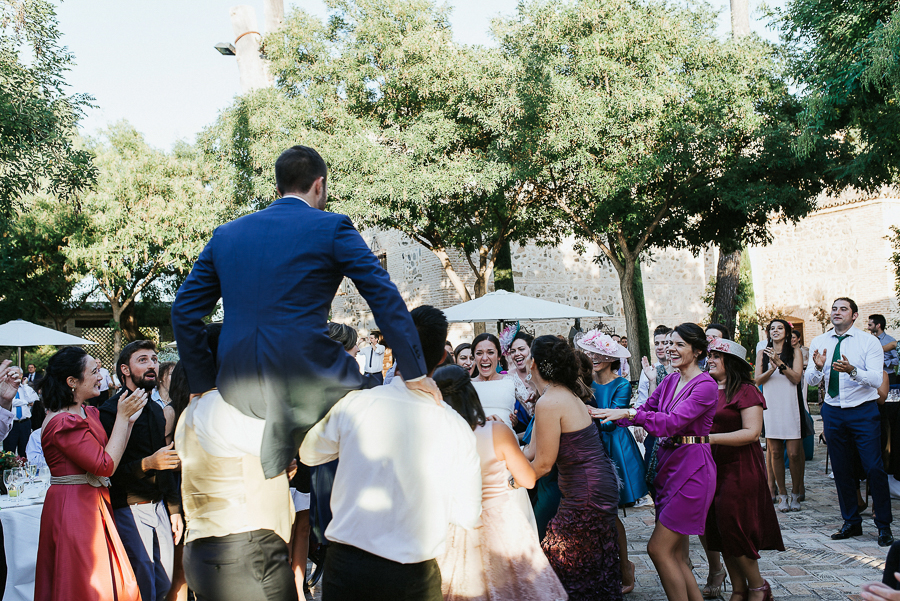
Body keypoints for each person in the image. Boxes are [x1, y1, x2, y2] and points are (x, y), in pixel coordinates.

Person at [171, 144, 437, 484]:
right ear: (319, 185)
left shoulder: (226, 235)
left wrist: (203, 385)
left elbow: (183, 310)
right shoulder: (333, 227)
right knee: (377, 399)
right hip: (308, 379)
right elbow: (383, 293)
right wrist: (414, 372)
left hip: (236, 385)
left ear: (277, 190)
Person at [299, 305, 482, 601]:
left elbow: (309, 453)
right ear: (441, 358)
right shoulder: (457, 429)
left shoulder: (356, 405)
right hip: (412, 576)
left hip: (348, 569)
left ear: (394, 347)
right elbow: (467, 514)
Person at [595, 323, 718, 601]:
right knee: (673, 552)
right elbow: (645, 411)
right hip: (667, 465)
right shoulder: (670, 381)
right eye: (669, 344)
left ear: (697, 350)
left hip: (693, 469)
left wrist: (626, 414)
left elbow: (673, 423)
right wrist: (609, 412)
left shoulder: (706, 385)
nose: (670, 349)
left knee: (658, 549)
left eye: (679, 345)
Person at [176, 339, 297, 601]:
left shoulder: (192, 410)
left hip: (204, 547)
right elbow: (281, 444)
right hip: (244, 549)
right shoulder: (228, 405)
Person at [435, 364, 567, 601]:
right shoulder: (496, 431)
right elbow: (527, 479)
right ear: (470, 393)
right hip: (500, 524)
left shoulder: (432, 438)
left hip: (453, 525)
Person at [35, 346, 148, 601]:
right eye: (94, 371)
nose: (101, 376)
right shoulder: (63, 422)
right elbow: (105, 465)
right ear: (72, 381)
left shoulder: (89, 412)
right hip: (73, 508)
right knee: (86, 579)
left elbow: (110, 454)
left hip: (93, 502)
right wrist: (122, 418)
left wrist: (128, 422)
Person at [524, 335, 622, 600]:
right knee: (590, 560)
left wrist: (506, 482)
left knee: (565, 556)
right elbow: (530, 451)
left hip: (587, 491)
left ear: (533, 363)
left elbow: (543, 465)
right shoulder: (559, 394)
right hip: (596, 484)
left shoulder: (550, 401)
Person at [806, 297, 894, 546]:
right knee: (841, 469)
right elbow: (811, 381)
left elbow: (877, 379)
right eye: (834, 308)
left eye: (843, 309)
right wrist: (817, 367)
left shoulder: (869, 342)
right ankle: (851, 522)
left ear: (854, 315)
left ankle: (883, 525)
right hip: (833, 411)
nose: (837, 312)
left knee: (874, 467)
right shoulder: (820, 341)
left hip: (863, 411)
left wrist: (852, 371)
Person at [99, 341, 183, 601]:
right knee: (141, 585)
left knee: (164, 583)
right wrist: (148, 464)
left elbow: (165, 463)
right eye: (143, 360)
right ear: (125, 369)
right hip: (128, 509)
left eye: (154, 360)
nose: (152, 366)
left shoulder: (157, 411)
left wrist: (174, 510)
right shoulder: (109, 412)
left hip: (160, 507)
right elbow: (105, 473)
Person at [705, 338, 784, 601]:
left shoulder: (747, 391)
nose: (710, 360)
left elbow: (752, 433)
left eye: (717, 356)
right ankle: (739, 589)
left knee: (735, 526)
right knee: (718, 528)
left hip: (739, 467)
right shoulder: (706, 388)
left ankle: (759, 587)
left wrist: (709, 439)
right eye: (709, 355)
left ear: (732, 363)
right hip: (710, 466)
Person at [577, 330, 646, 595]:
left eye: (600, 353)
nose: (594, 357)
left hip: (613, 445)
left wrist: (585, 413)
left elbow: (611, 421)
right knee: (595, 512)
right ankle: (603, 566)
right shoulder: (584, 382)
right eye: (591, 352)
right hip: (589, 443)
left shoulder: (621, 384)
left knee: (610, 513)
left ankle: (625, 567)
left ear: (611, 357)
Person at [756, 318, 806, 513]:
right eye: (772, 328)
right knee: (775, 452)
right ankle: (782, 495)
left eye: (779, 328)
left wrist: (780, 364)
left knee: (794, 453)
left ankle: (795, 493)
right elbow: (756, 380)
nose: (775, 331)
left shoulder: (794, 352)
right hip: (772, 405)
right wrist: (771, 368)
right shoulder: (762, 353)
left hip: (790, 404)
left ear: (786, 332)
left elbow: (796, 378)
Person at [471, 332, 517, 428]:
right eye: (479, 353)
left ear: (498, 356)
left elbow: (533, 411)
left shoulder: (511, 381)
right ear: (474, 357)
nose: (484, 358)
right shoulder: (466, 384)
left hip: (506, 439)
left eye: (490, 353)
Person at [501, 326, 538, 429]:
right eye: (513, 351)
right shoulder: (507, 379)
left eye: (521, 349)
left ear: (531, 350)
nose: (517, 354)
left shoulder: (542, 375)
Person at [3, 366, 37, 457]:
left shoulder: (26, 388)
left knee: (25, 451)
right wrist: (26, 402)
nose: (14, 376)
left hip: (25, 423)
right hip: (11, 424)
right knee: (9, 452)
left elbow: (33, 398)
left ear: (21, 375)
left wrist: (25, 385)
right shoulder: (5, 388)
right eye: (12, 373)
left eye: (16, 373)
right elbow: (10, 401)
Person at [870, 314, 899, 386]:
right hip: (873, 376)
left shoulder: (890, 340)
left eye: (870, 325)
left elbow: (897, 360)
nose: (868, 328)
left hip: (888, 375)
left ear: (878, 325)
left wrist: (885, 363)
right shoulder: (869, 340)